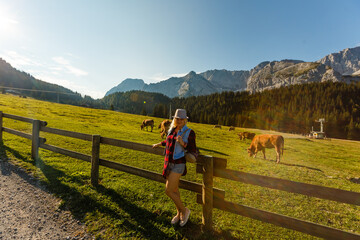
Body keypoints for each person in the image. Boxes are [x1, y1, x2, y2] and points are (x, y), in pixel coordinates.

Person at [152, 109, 197, 227]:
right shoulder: (172, 129)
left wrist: (183, 143)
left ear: (186, 120)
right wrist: (159, 144)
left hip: (178, 164)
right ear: (174, 119)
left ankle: (184, 210)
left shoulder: (189, 132)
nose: (179, 121)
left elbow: (193, 150)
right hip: (168, 163)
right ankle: (178, 213)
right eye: (177, 118)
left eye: (182, 119)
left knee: (168, 190)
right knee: (175, 190)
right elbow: (169, 141)